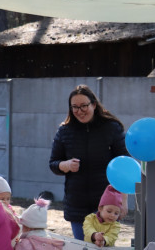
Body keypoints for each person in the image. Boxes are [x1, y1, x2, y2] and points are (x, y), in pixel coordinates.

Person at [48, 84, 128, 240]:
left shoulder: (111, 127)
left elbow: (124, 164)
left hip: (108, 205)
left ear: (94, 104)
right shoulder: (64, 131)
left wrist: (123, 200)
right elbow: (53, 164)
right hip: (77, 203)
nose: (79, 111)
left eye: (84, 106)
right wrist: (65, 165)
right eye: (75, 107)